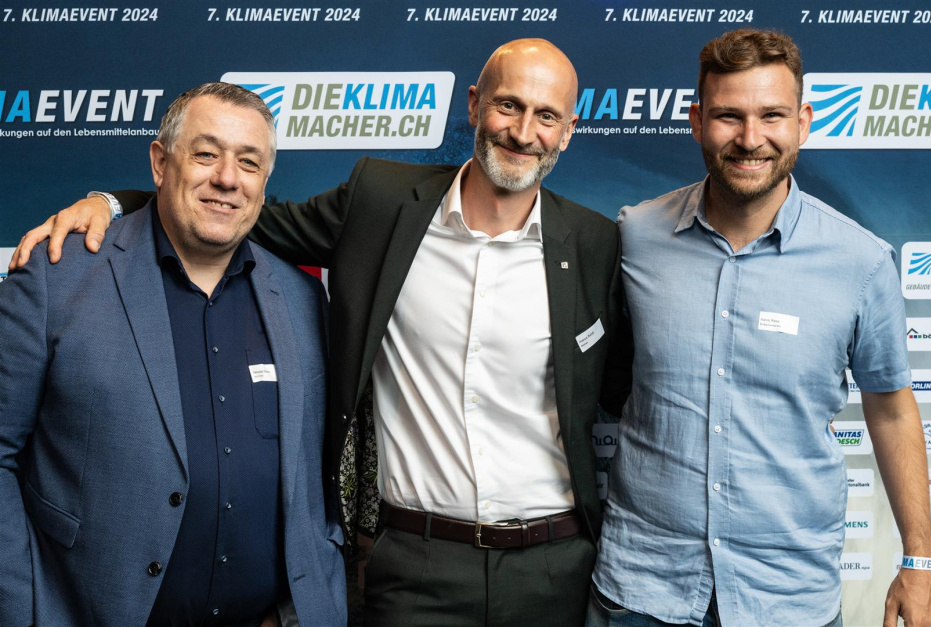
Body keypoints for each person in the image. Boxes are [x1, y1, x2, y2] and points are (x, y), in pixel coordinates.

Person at [9, 39, 630, 625]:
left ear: (569, 130)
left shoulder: (597, 243)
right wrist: (115, 203)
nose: (523, 132)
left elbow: (628, 390)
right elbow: (232, 209)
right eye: (508, 105)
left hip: (554, 562)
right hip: (416, 564)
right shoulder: (383, 203)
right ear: (474, 105)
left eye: (547, 115)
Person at [588, 28, 931, 627]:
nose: (750, 139)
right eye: (729, 116)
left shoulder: (861, 261)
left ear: (803, 122)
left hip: (787, 598)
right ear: (697, 121)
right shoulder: (636, 236)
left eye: (771, 115)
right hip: (642, 589)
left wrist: (921, 560)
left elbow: (891, 409)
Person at [0, 83, 345, 626]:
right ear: (161, 163)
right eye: (206, 154)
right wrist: (21, 610)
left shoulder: (303, 300)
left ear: (264, 181)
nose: (227, 178)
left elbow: (315, 481)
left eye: (249, 162)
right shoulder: (56, 278)